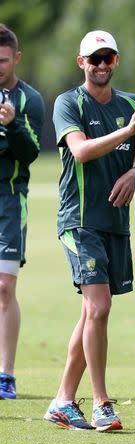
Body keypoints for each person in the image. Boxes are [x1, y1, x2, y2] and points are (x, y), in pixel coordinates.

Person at [43, 30, 135, 431]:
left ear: (116, 60)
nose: (101, 65)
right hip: (79, 221)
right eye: (93, 59)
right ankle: (101, 402)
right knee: (98, 308)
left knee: (92, 313)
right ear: (80, 62)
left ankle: (63, 400)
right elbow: (80, 150)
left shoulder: (132, 104)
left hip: (114, 224)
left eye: (107, 58)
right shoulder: (69, 102)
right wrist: (126, 133)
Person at [0, 24, 45, 400]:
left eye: (2, 61)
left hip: (10, 200)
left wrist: (13, 124)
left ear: (16, 58)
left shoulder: (30, 99)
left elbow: (31, 153)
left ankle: (6, 375)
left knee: (4, 286)